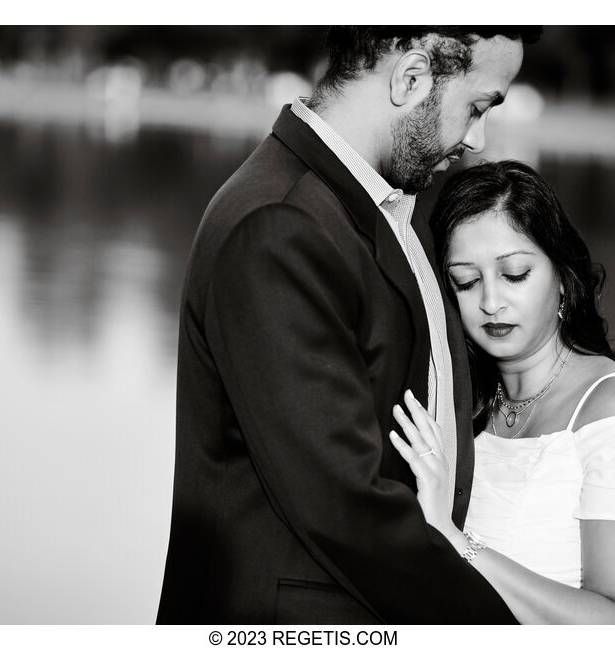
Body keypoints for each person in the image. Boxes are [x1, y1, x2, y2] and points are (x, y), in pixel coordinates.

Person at [156, 26, 541, 623]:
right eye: (477, 107)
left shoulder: (373, 211)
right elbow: (344, 505)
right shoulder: (280, 225)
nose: (476, 138)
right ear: (411, 77)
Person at [390, 160, 615, 624]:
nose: (490, 302)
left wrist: (451, 537)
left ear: (564, 277)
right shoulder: (461, 405)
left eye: (515, 274)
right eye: (466, 281)